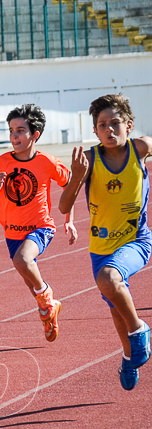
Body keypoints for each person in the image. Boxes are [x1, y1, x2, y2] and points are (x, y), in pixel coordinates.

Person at [58, 94, 152, 390]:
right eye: (102, 125)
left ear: (129, 125)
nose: (110, 129)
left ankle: (140, 331)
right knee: (114, 306)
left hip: (136, 239)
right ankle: (128, 355)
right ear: (95, 131)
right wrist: (76, 177)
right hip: (101, 247)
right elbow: (63, 206)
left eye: (115, 123)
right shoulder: (88, 159)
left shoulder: (142, 148)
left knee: (109, 278)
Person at [0, 104, 75, 344]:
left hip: (41, 227)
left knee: (23, 261)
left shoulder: (47, 162)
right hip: (12, 232)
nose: (14, 136)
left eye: (20, 130)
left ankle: (47, 296)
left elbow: (69, 187)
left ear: (35, 135)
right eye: (11, 131)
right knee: (30, 281)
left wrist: (69, 220)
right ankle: (50, 311)